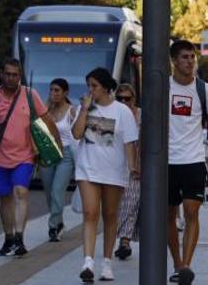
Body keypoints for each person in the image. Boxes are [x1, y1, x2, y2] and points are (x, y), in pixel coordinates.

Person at [72, 68, 139, 282]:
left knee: (110, 216)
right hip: (87, 169)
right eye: (89, 86)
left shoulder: (122, 111)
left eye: (94, 86)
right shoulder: (85, 108)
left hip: (114, 171)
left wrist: (132, 168)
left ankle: (107, 263)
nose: (91, 90)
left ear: (105, 87)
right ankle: (88, 262)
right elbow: (76, 134)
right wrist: (84, 110)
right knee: (90, 213)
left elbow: (130, 143)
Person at [166, 40, 208, 285]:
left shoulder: (204, 89)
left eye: (192, 57)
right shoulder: (163, 87)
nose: (190, 61)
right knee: (169, 215)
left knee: (191, 211)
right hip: (167, 162)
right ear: (174, 61)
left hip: (193, 159)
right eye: (184, 57)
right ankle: (177, 262)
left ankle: (186, 265)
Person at [0, 58, 48, 257]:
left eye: (15, 74)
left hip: (24, 156)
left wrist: (48, 146)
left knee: (20, 192)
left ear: (20, 76)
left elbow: (44, 120)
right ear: (1, 74)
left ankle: (19, 237)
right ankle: (8, 238)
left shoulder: (30, 94)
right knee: (5, 197)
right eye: (7, 74)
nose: (11, 78)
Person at [39, 78, 78, 242]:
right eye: (51, 90)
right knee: (49, 193)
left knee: (57, 191)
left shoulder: (72, 111)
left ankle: (53, 226)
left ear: (65, 93)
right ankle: (59, 222)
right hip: (47, 154)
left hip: (66, 154)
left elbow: (76, 135)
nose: (53, 93)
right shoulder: (45, 110)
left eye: (57, 90)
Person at [114, 83, 141, 261]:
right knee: (118, 205)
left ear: (134, 98)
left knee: (131, 202)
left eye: (127, 98)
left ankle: (124, 241)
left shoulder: (141, 115)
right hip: (115, 165)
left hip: (136, 166)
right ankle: (122, 238)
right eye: (120, 98)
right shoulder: (113, 114)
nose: (124, 102)